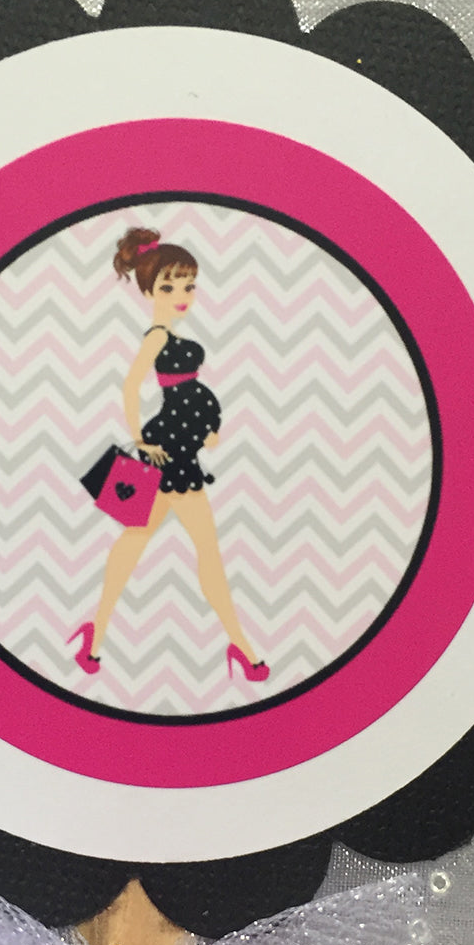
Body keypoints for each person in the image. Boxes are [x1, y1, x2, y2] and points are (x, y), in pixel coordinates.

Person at [69, 227, 268, 682]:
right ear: (147, 291)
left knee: (141, 543)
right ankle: (241, 646)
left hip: (182, 453)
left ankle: (94, 638)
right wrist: (141, 440)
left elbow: (187, 395)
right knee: (191, 550)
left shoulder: (170, 335)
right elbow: (130, 386)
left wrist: (209, 429)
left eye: (189, 286)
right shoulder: (157, 337)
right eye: (168, 287)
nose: (182, 296)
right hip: (167, 457)